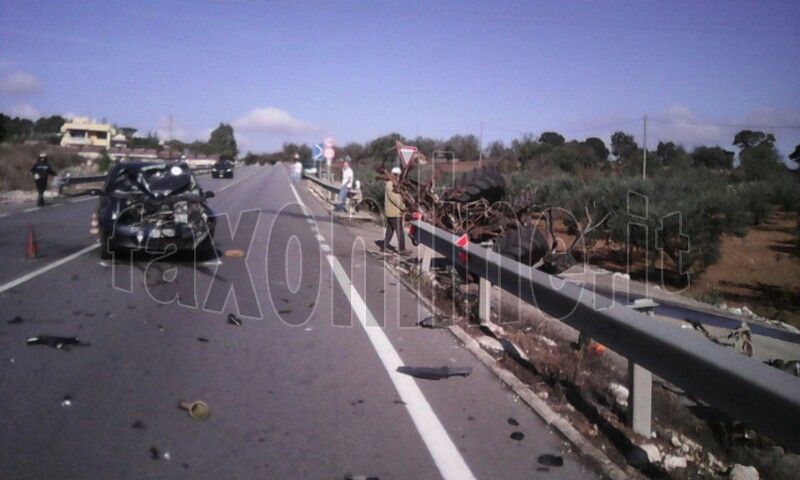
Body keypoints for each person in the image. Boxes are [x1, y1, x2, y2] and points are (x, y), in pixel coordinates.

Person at [382, 167, 411, 255]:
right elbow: (395, 199)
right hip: (394, 212)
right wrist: (404, 207)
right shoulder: (391, 184)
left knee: (390, 231)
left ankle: (384, 246)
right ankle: (402, 249)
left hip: (392, 212)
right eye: (397, 175)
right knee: (400, 231)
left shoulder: (394, 184)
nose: (398, 177)